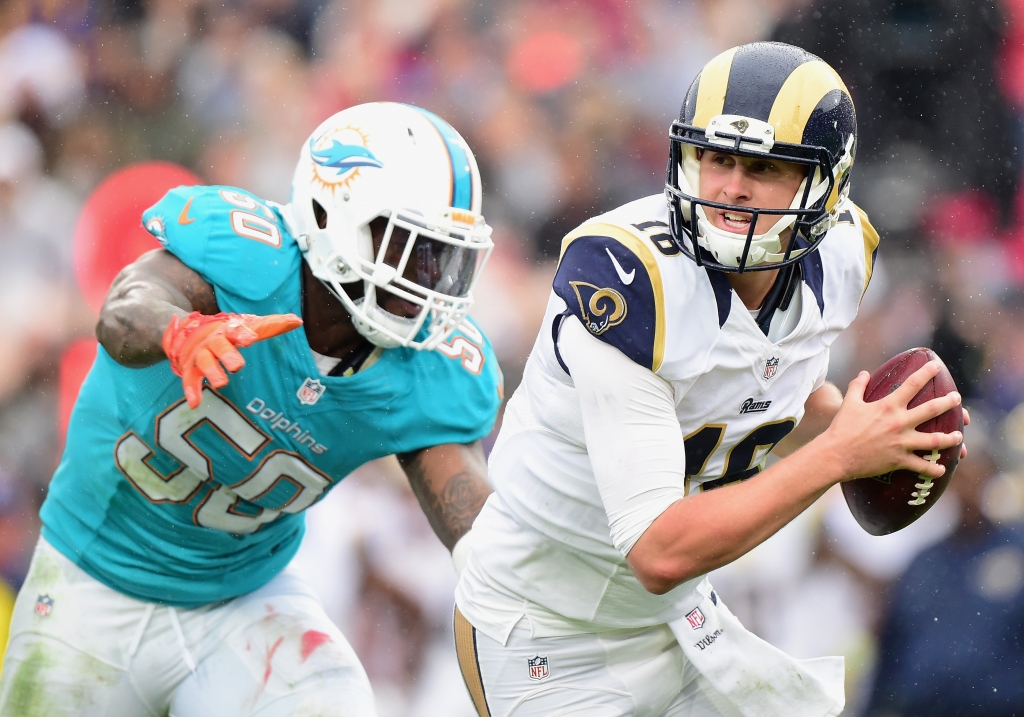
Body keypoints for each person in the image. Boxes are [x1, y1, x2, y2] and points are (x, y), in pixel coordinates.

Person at [452, 42, 966, 717]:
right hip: (549, 635)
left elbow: (765, 394)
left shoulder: (841, 256)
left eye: (763, 166)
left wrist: (860, 427)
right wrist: (839, 454)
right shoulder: (628, 280)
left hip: (677, 618)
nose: (731, 188)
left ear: (825, 187)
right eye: (718, 158)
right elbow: (660, 549)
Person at [0, 102, 502, 716]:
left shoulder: (428, 366)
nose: (429, 279)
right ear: (331, 215)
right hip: (93, 578)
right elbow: (123, 311)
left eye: (444, 256)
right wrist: (178, 331)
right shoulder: (243, 256)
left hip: (242, 599)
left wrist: (537, 568)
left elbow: (475, 523)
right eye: (410, 246)